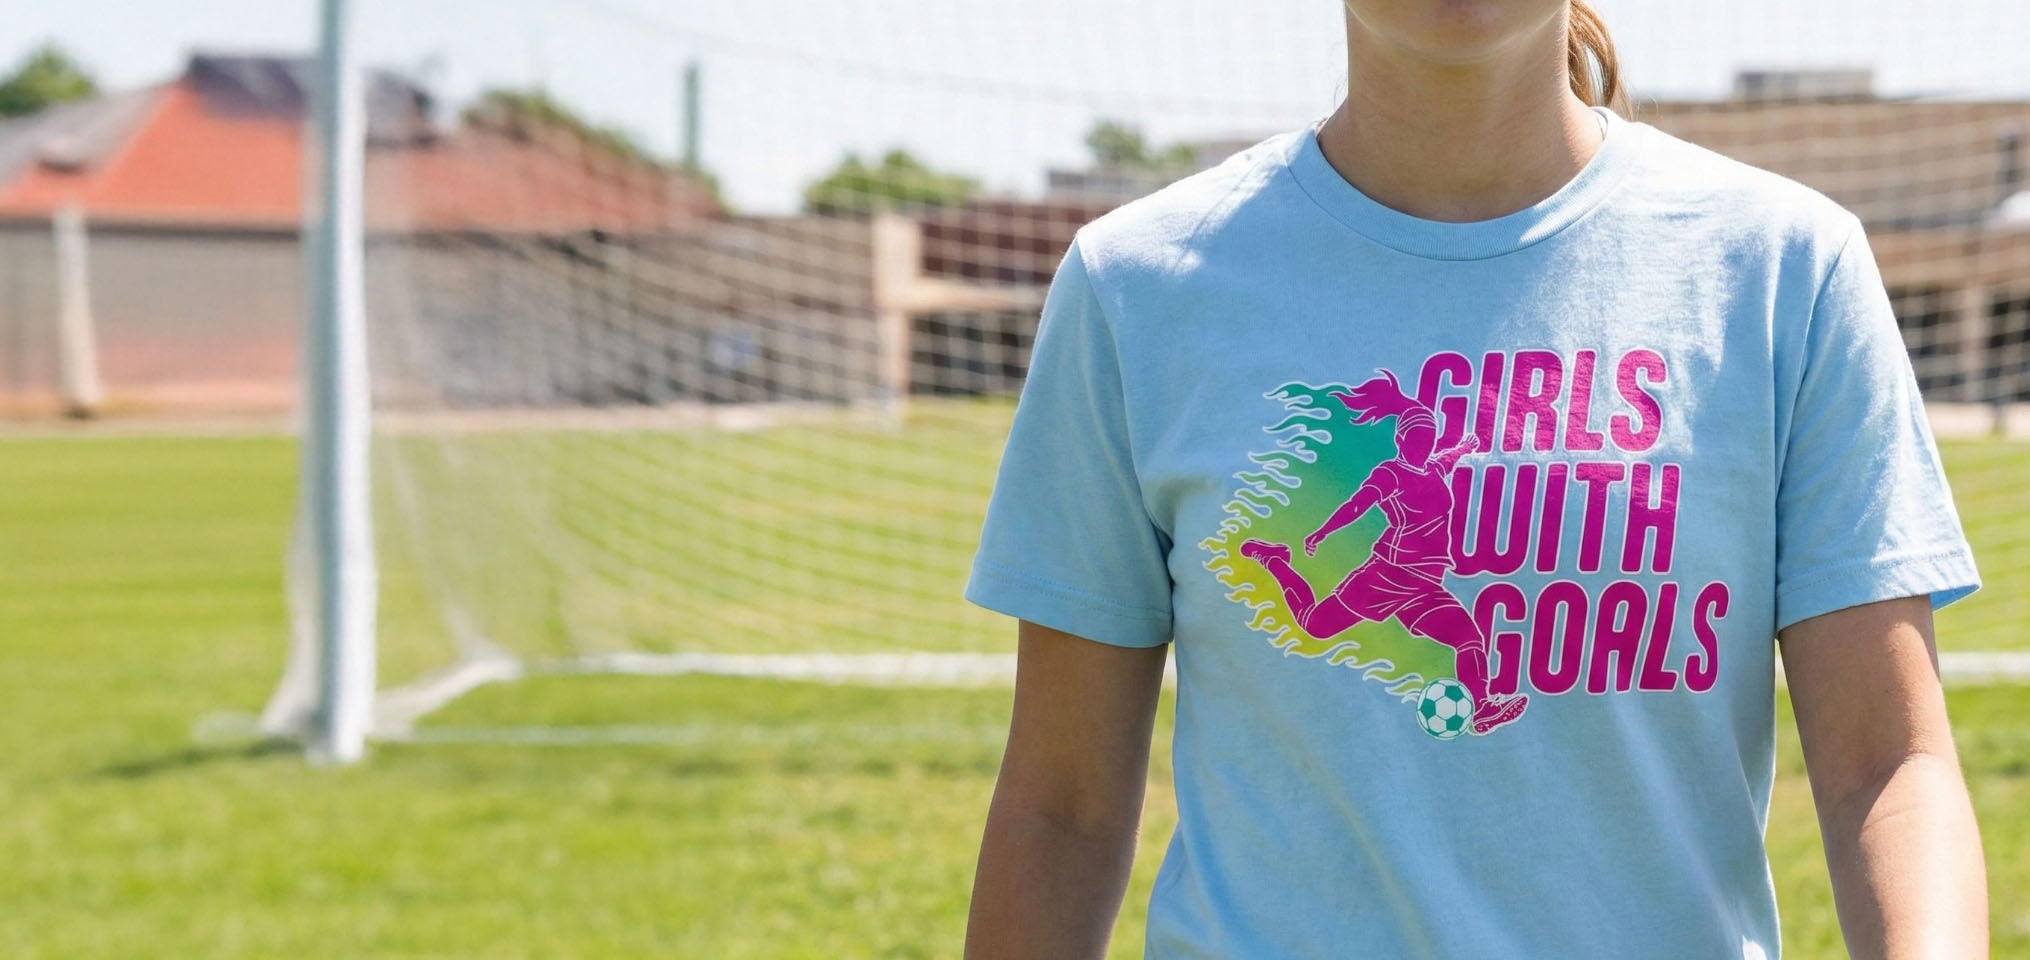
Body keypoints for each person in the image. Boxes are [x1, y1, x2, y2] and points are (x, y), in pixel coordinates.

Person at [960, 1, 1990, 958]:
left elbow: (1882, 768)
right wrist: (1306, 544)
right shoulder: (1138, 286)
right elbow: (1063, 805)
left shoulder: (1780, 269)